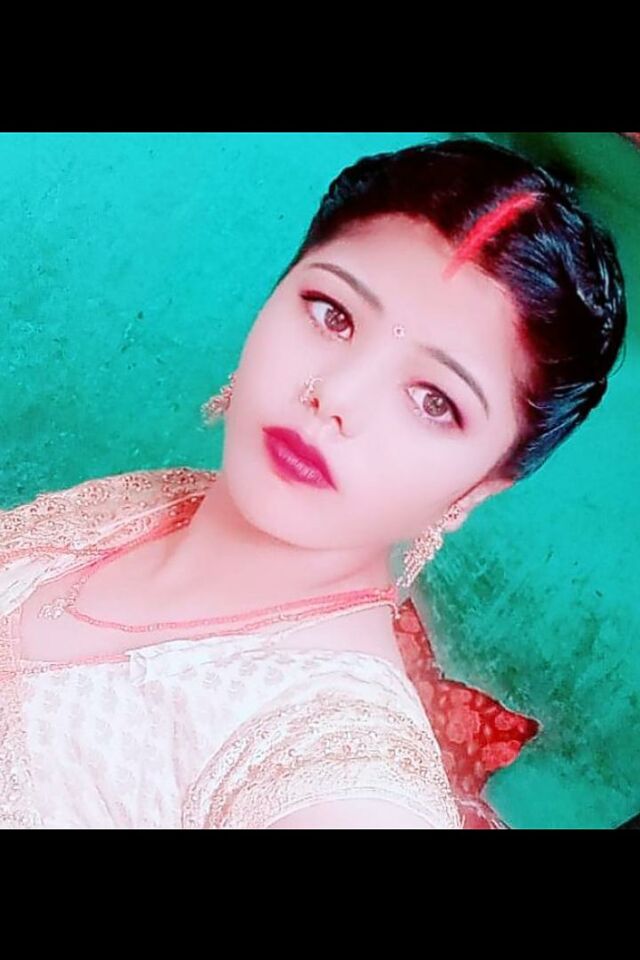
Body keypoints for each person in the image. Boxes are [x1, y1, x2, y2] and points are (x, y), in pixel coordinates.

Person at [0, 136, 627, 830]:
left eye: (434, 401)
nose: (337, 396)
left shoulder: (340, 778)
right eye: (333, 314)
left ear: (478, 488)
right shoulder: (156, 500)